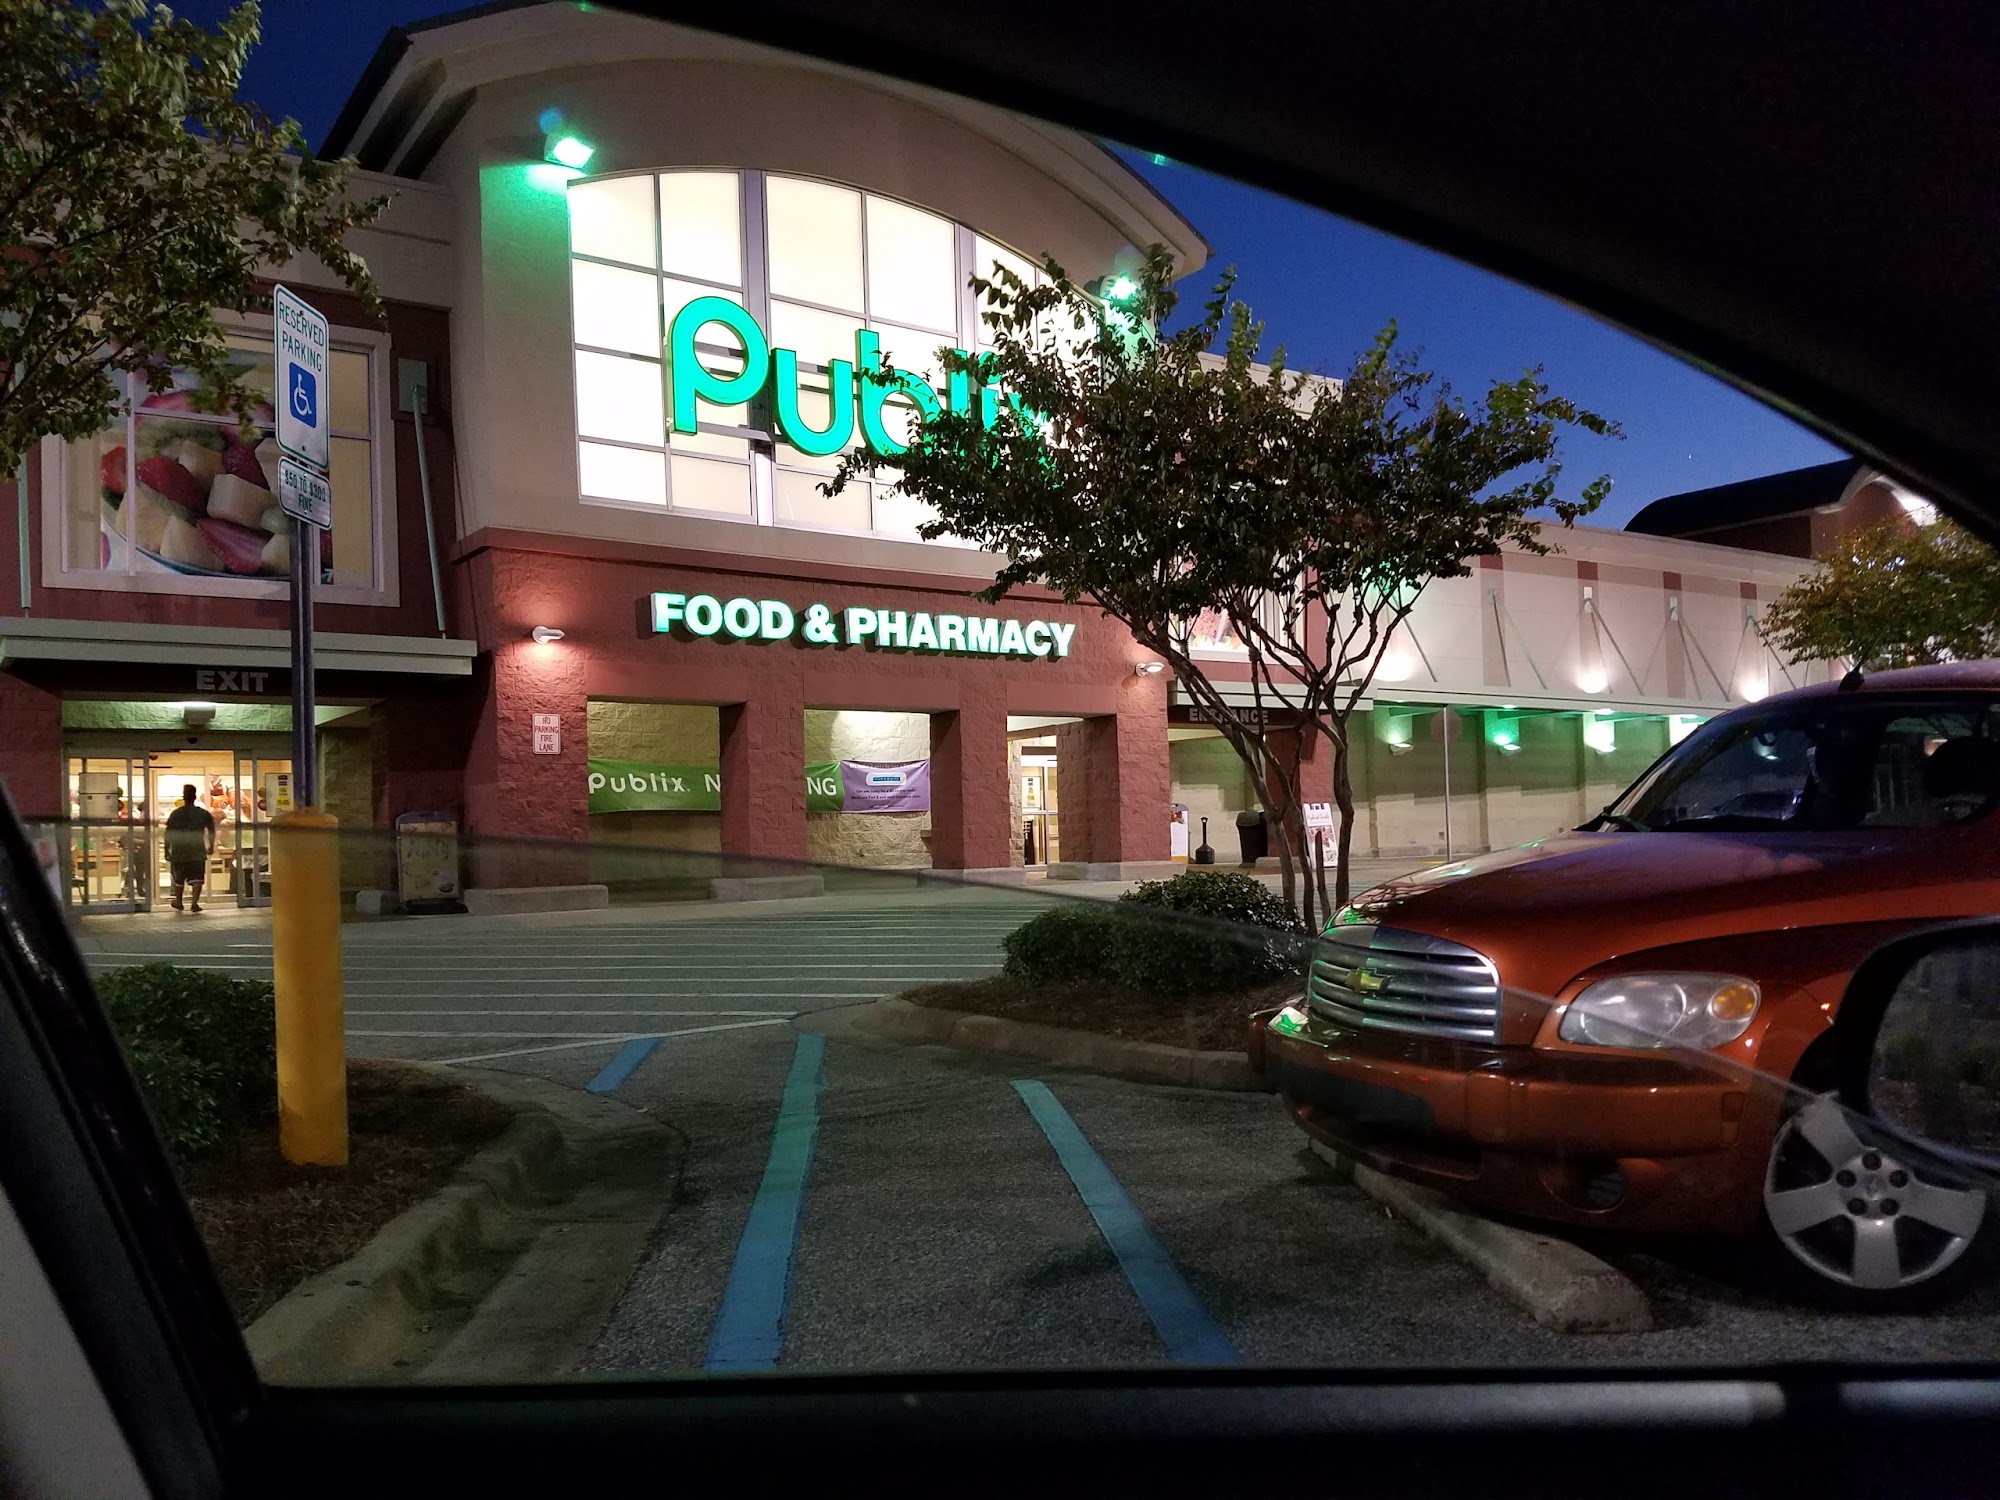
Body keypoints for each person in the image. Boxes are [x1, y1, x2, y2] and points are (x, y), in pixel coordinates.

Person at [163, 784, 216, 912]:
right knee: (197, 877)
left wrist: (167, 849)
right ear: (195, 796)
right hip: (197, 848)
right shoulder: (202, 813)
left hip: (179, 849)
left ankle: (179, 901)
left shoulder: (176, 814)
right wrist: (211, 845)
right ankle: (194, 903)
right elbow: (211, 830)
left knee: (179, 878)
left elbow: (169, 833)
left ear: (184, 797)